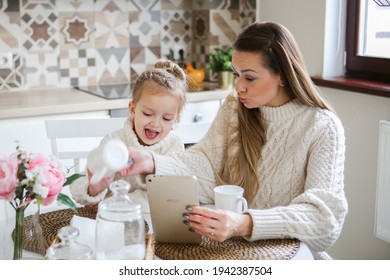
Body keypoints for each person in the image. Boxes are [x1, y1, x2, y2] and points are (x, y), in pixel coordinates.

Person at [119, 22, 348, 259]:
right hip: (228, 252)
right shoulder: (234, 108)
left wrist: (245, 223)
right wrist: (152, 162)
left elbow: (325, 221)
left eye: (249, 78)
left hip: (291, 258)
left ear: (282, 75)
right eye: (236, 75)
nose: (239, 87)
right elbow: (205, 166)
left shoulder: (322, 127)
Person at [70, 58, 188, 208]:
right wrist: (94, 189)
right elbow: (81, 191)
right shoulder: (114, 141)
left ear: (176, 119)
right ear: (133, 109)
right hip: (116, 221)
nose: (155, 123)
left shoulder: (174, 145)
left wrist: (122, 199)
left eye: (166, 118)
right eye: (147, 114)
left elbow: (174, 195)